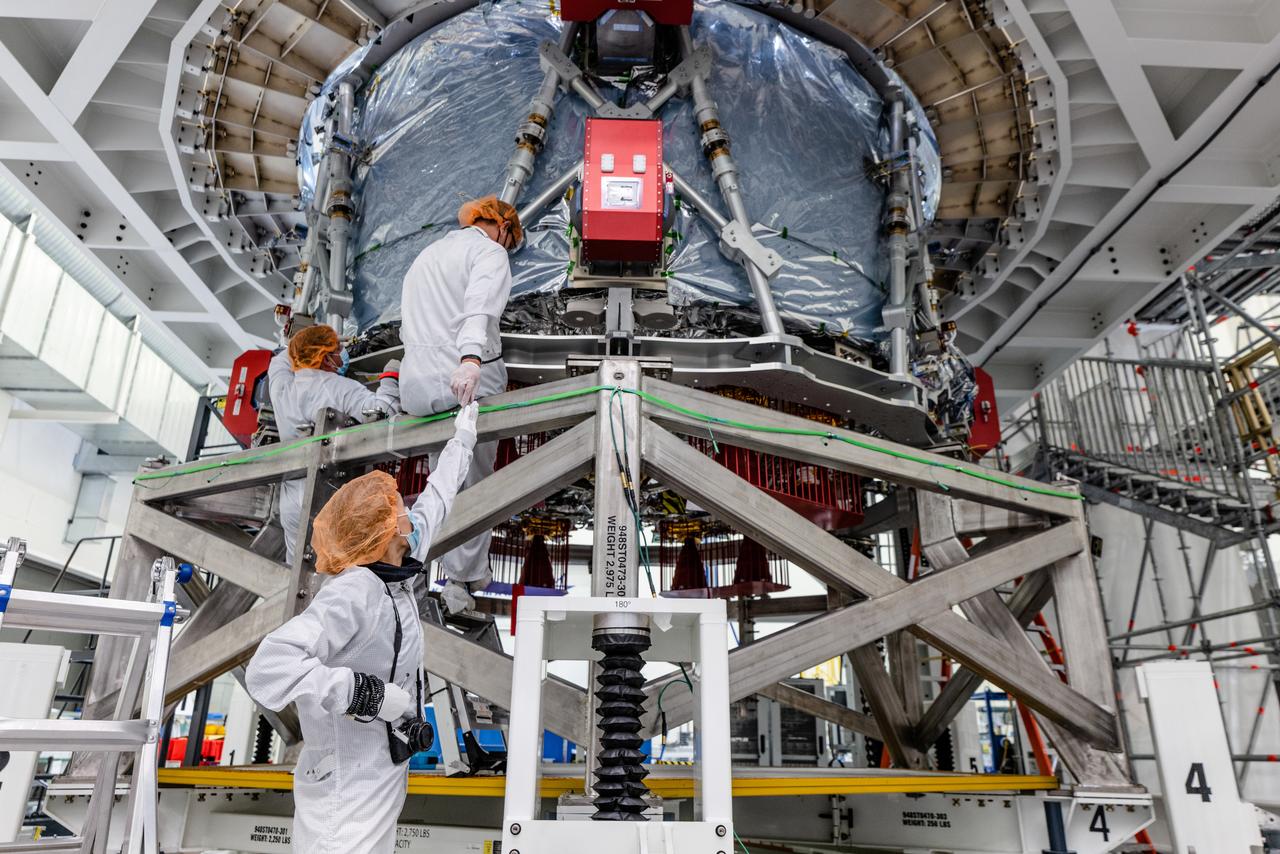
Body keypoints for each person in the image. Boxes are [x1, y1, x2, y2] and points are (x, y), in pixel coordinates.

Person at [244, 402, 478, 854]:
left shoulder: (398, 564)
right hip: (343, 786)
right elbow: (269, 667)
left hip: (380, 772)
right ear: (385, 532)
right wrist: (364, 694)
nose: (408, 513)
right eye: (397, 511)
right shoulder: (353, 592)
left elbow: (437, 499)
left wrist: (463, 438)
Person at [399, 196, 521, 613]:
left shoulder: (427, 254)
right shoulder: (489, 253)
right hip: (465, 381)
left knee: (441, 478)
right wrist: (470, 360)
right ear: (503, 227)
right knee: (474, 484)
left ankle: (415, 569)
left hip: (417, 387)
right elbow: (480, 312)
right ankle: (461, 583)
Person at [269, 324, 401, 564]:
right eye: (337, 348)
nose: (343, 352)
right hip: (329, 499)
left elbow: (281, 359)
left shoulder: (282, 388)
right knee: (337, 571)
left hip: (291, 505)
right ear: (325, 357)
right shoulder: (339, 388)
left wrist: (306, 340)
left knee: (295, 568)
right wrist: (391, 378)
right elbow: (383, 414)